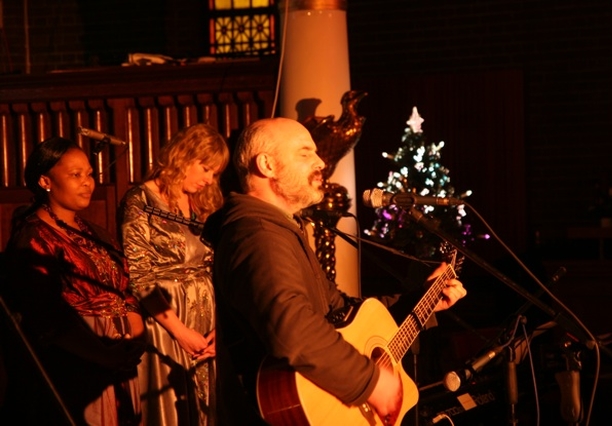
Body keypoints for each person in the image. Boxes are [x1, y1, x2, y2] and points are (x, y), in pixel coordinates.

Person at [203, 117, 467, 425]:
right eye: (305, 153)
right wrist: (369, 383)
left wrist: (423, 302)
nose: (320, 161)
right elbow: (293, 330)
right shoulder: (259, 235)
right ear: (267, 165)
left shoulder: (280, 230)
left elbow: (342, 314)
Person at [1, 137, 146, 425]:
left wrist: (134, 340)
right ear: (45, 180)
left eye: (90, 174)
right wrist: (102, 355)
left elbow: (124, 291)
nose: (87, 182)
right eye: (75, 175)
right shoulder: (34, 239)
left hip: (118, 361)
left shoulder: (96, 233)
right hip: (73, 367)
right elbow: (46, 316)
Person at [118, 123, 229, 426]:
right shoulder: (140, 200)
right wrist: (180, 332)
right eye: (205, 168)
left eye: (215, 174)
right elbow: (139, 274)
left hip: (208, 316)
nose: (209, 179)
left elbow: (220, 266)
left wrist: (222, 325)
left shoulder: (204, 202)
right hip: (166, 319)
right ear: (183, 156)